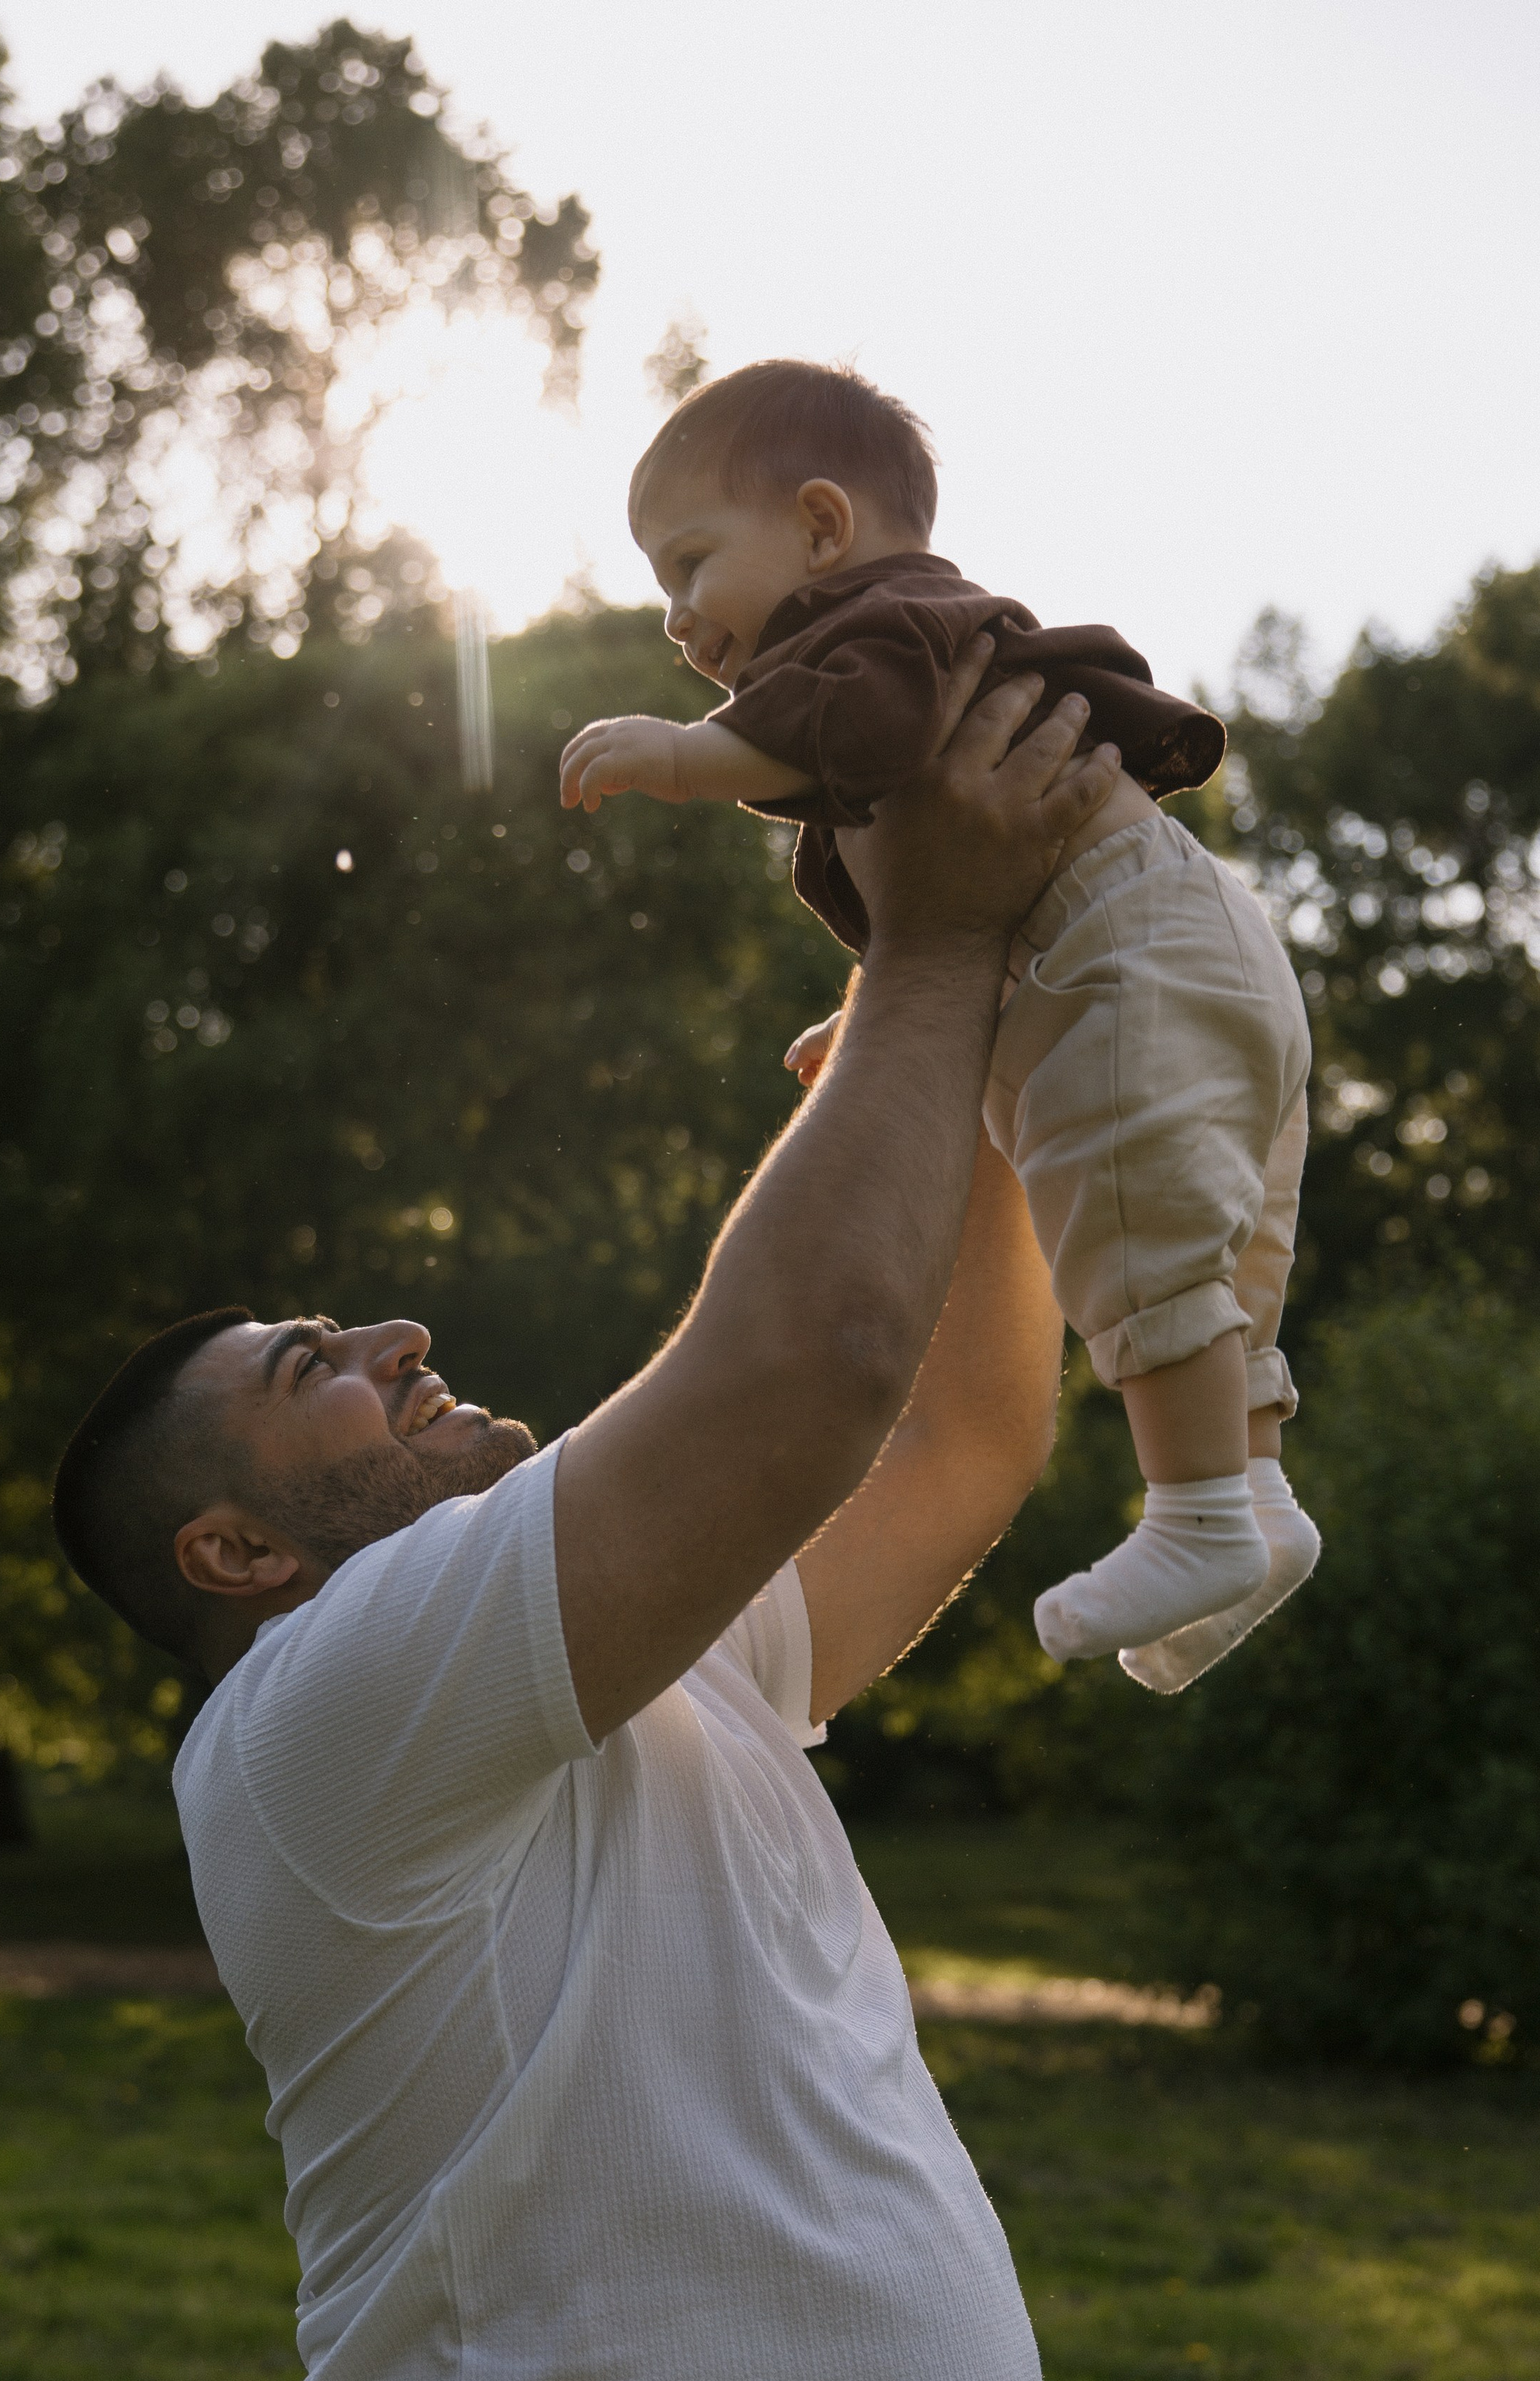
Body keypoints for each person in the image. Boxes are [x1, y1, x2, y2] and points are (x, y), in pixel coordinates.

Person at [51, 648, 1118, 2381]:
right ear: (237, 1553)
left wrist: (989, 1073)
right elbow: (810, 1363)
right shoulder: (327, 1699)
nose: (399, 1334)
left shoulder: (625, 1656)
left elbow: (954, 1438)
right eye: (317, 1365)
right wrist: (930, 946)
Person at [561, 359, 1319, 1696]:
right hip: (1189, 945)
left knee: (1131, 1225)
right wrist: (875, 1019)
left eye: (691, 565)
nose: (677, 621)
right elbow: (955, 895)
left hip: (1123, 946)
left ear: (821, 526)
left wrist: (684, 756)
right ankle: (1256, 1499)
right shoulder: (917, 633)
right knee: (1216, 1248)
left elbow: (852, 726)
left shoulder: (876, 629)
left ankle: (1195, 1514)